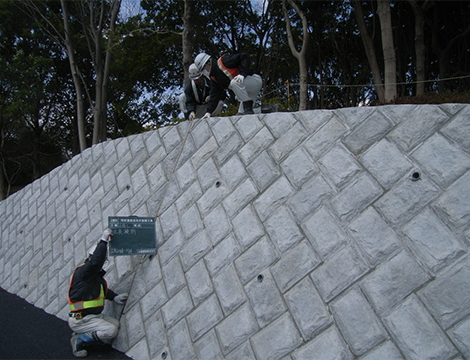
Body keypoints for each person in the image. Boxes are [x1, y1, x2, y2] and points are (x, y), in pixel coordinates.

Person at [68, 228, 128, 358]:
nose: (101, 265)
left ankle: (83, 334)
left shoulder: (94, 277)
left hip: (93, 316)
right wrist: (103, 241)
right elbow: (96, 262)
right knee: (111, 331)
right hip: (81, 320)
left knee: (115, 324)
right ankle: (80, 340)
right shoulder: (83, 273)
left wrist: (114, 297)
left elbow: (102, 292)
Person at [194, 52, 263, 117]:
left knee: (234, 83)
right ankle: (265, 109)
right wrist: (208, 112)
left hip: (254, 81)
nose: (204, 72)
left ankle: (247, 105)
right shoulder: (214, 78)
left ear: (208, 63)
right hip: (247, 91)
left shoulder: (224, 61)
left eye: (203, 69)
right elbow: (214, 96)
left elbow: (244, 56)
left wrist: (242, 74)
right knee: (242, 114)